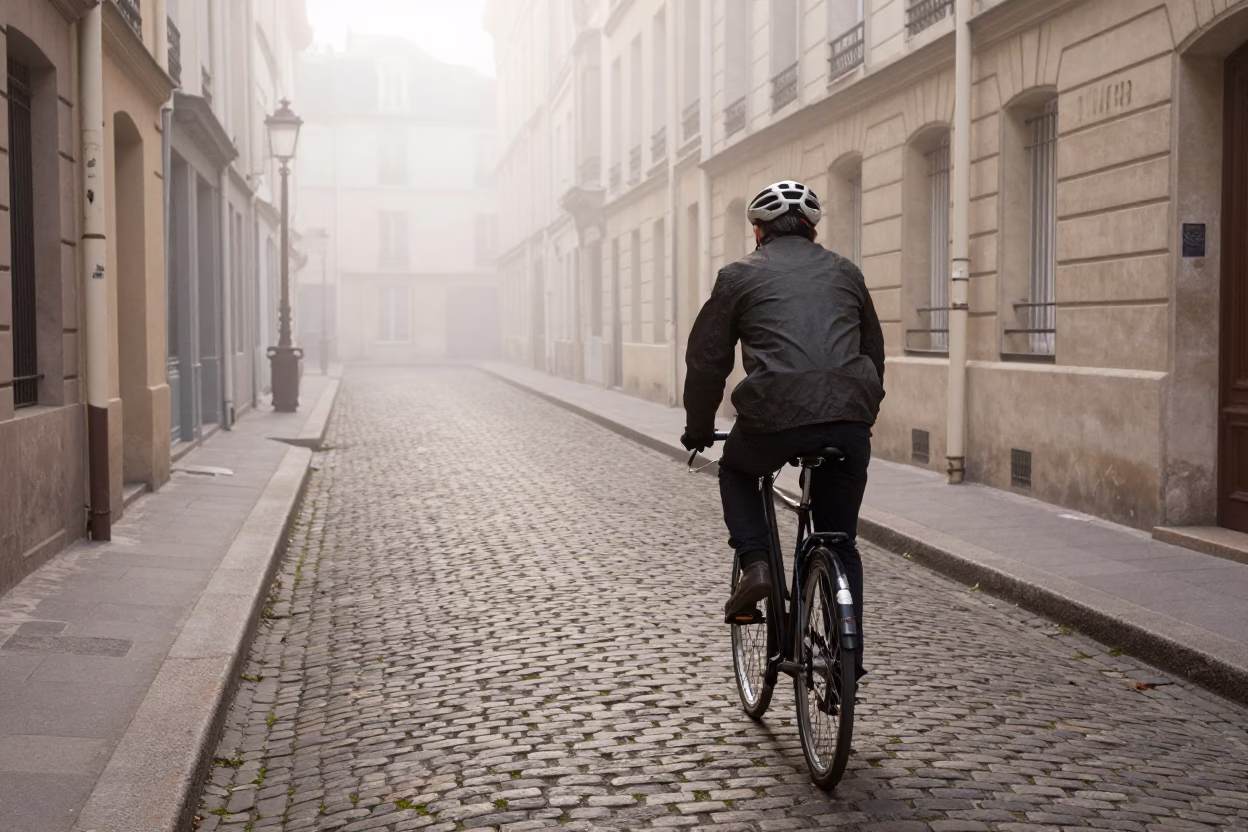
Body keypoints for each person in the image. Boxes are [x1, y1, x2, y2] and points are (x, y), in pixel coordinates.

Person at [680, 180, 885, 680]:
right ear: (813, 230)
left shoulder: (737, 276)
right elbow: (873, 352)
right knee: (839, 541)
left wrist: (699, 428)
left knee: (735, 471)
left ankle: (755, 566)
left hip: (774, 419)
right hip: (850, 421)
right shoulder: (846, 272)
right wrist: (860, 413)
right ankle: (844, 663)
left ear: (757, 231)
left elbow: (708, 361)